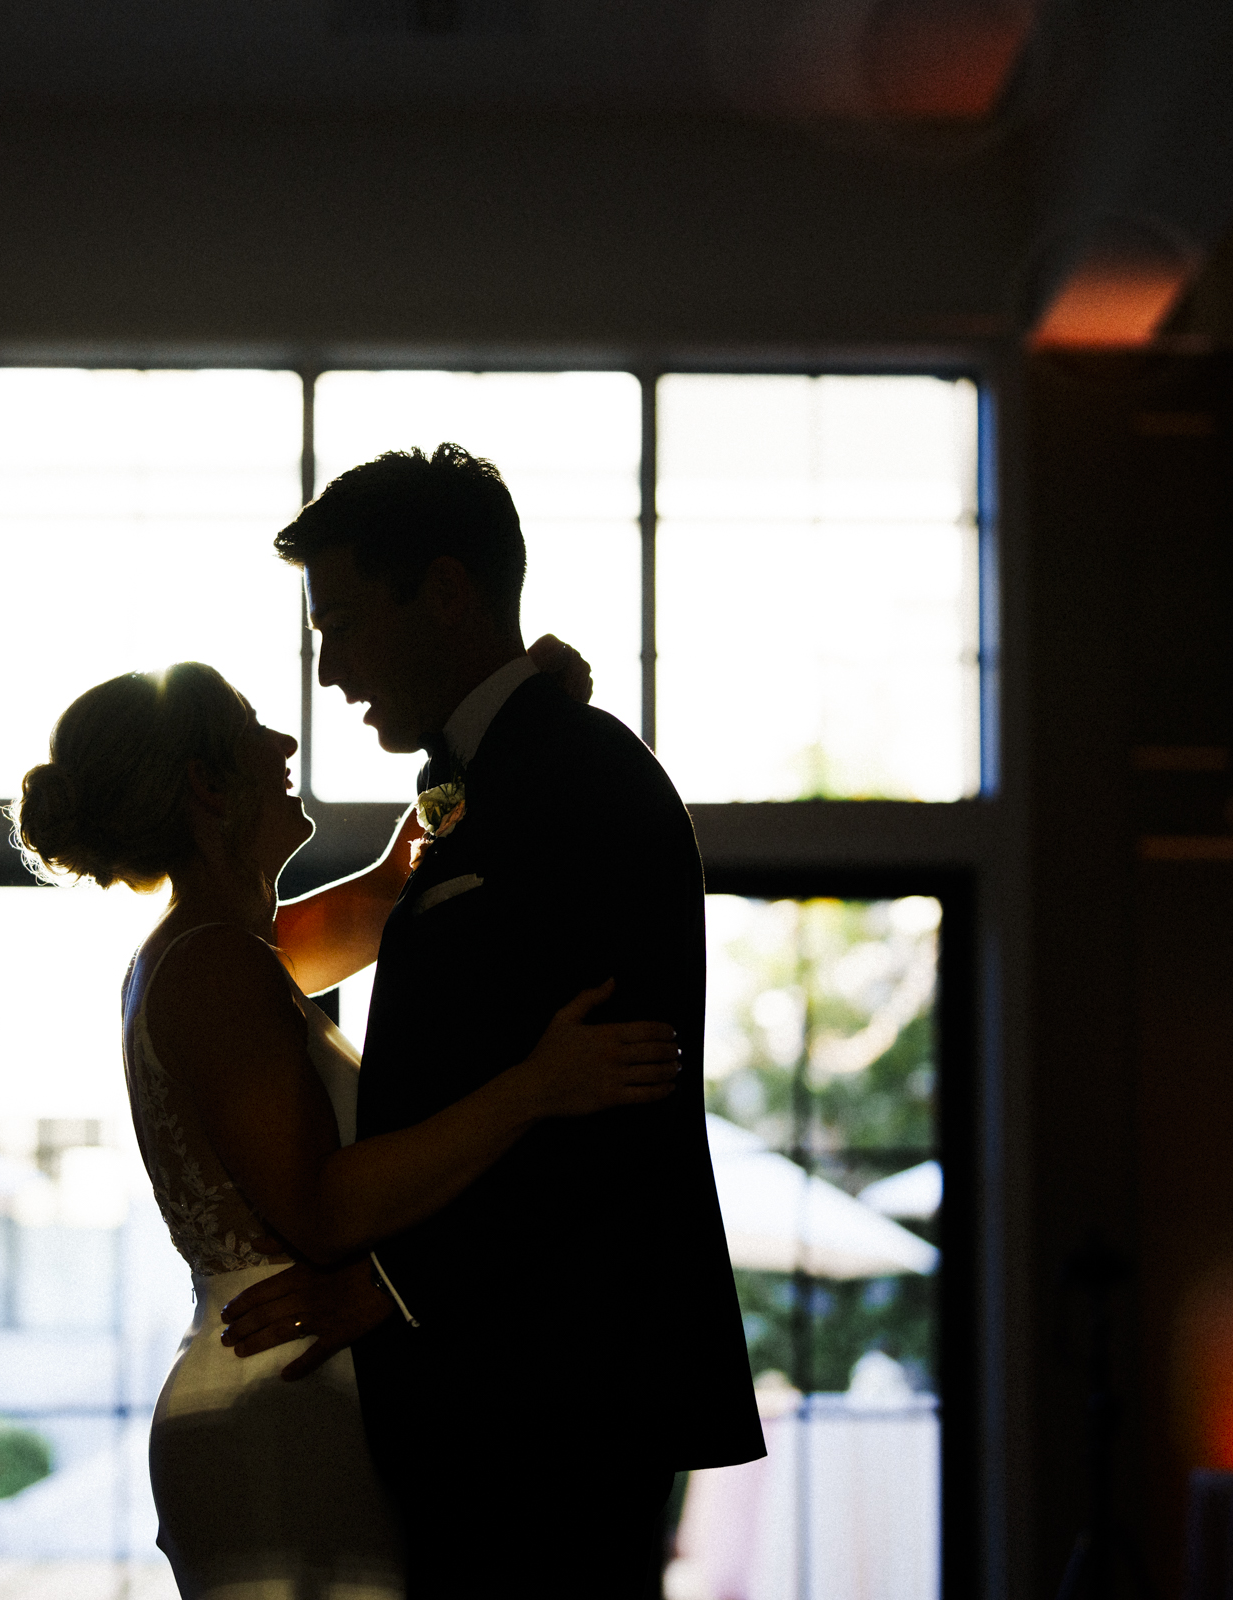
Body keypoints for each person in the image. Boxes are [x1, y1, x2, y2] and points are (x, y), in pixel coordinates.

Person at [11, 644, 673, 1600]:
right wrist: (535, 1087)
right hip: (278, 1405)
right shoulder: (210, 966)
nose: (286, 740)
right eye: (252, 734)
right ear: (207, 786)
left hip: (290, 1387)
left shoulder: (223, 950)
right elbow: (320, 1209)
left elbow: (376, 903)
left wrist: (500, 747)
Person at [232, 443, 767, 1597]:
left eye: (343, 622)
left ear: (446, 590)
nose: (329, 671)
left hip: (560, 1389)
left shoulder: (584, 779)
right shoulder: (500, 778)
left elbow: (616, 1098)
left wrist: (396, 1284)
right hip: (500, 1389)